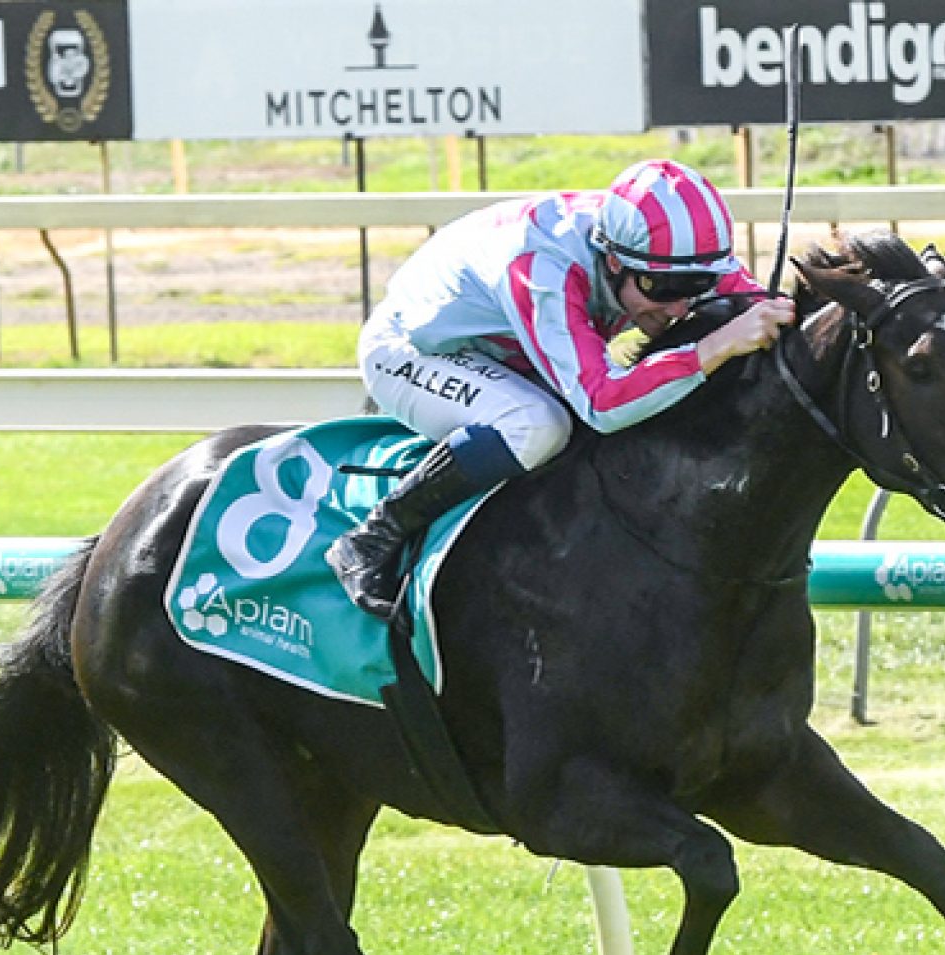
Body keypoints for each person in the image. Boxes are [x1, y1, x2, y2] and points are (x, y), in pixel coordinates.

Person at [326, 158, 798, 618]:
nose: (678, 308)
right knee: (538, 426)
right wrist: (712, 347)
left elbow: (755, 305)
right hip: (412, 351)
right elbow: (602, 402)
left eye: (696, 285)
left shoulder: (672, 252)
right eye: (661, 289)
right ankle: (371, 538)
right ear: (613, 260)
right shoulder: (543, 267)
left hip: (510, 353)